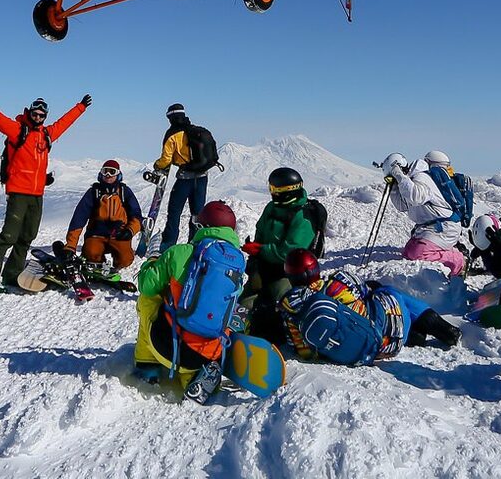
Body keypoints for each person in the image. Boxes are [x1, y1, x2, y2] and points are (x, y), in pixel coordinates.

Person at [0, 77, 89, 294]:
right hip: (18, 193)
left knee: (27, 237)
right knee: (8, 236)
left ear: (45, 117)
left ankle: (11, 275)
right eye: (35, 113)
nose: (37, 117)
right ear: (29, 112)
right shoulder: (17, 130)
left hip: (37, 194)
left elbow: (65, 123)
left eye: (42, 115)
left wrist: (80, 107)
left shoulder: (47, 134)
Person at [133, 200, 246, 402]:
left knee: (149, 298)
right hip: (204, 356)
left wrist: (151, 261)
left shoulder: (181, 252)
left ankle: (147, 366)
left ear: (202, 227)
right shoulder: (238, 262)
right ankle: (195, 376)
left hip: (166, 347)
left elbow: (146, 285)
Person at [277, 249, 460, 364]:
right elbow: (367, 294)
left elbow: (305, 352)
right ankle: (441, 327)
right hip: (388, 339)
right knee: (387, 291)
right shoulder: (340, 281)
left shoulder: (291, 307)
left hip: (360, 351)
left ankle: (414, 334)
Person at [241, 167, 323, 345]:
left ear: (286, 191)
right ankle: (238, 333)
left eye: (275, 190)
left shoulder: (303, 216)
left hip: (289, 273)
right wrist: (255, 261)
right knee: (244, 305)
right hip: (265, 267)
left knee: (283, 308)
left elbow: (289, 252)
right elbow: (260, 232)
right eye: (271, 189)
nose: (272, 194)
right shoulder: (271, 208)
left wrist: (260, 250)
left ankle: (288, 336)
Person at [377, 152, 465, 276]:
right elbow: (402, 206)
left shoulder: (421, 177)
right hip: (430, 227)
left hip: (444, 226)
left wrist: (399, 176)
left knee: (418, 254)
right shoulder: (411, 181)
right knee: (408, 252)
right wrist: (394, 187)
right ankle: (444, 249)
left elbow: (415, 197)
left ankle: (458, 261)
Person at [146, 103, 219, 251]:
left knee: (174, 211)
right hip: (202, 177)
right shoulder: (195, 131)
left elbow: (166, 160)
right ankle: (195, 244)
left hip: (185, 178)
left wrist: (157, 166)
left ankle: (168, 244)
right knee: (197, 213)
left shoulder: (172, 134)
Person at [64, 159, 143, 272]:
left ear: (118, 175)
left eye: (112, 172)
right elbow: (79, 218)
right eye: (105, 171)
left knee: (125, 261)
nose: (108, 175)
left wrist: (129, 231)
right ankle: (98, 261)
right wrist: (71, 246)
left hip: (118, 234)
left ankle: (116, 259)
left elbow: (136, 215)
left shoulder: (124, 192)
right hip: (96, 233)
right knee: (91, 255)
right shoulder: (94, 192)